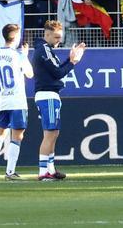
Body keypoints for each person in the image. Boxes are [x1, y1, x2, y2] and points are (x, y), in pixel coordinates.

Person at [32, 20, 87, 181]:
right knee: (49, 134)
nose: (58, 41)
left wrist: (70, 60)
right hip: (47, 95)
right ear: (47, 34)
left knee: (53, 133)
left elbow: (56, 70)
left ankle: (50, 168)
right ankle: (43, 171)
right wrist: (73, 62)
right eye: (56, 37)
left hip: (50, 95)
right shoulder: (44, 49)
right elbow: (57, 73)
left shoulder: (46, 49)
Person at [0, 23, 34, 181]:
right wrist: (25, 55)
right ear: (16, 36)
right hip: (17, 100)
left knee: (0, 134)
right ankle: (10, 172)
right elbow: (30, 74)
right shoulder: (17, 55)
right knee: (17, 136)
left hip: (4, 99)